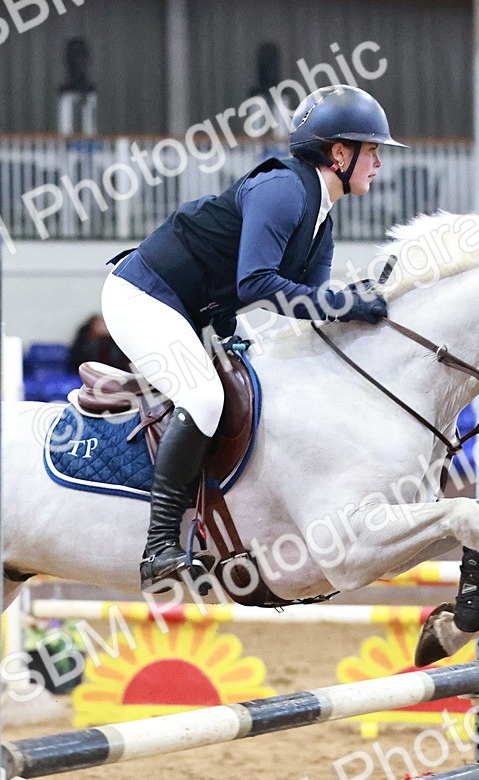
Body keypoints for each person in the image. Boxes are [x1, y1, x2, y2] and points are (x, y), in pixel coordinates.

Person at [100, 85, 405, 591]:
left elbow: (312, 302)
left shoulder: (321, 222)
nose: (378, 163)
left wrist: (368, 298)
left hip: (196, 313)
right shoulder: (284, 189)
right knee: (202, 396)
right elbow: (257, 283)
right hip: (143, 295)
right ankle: (158, 546)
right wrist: (347, 303)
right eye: (372, 150)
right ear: (339, 153)